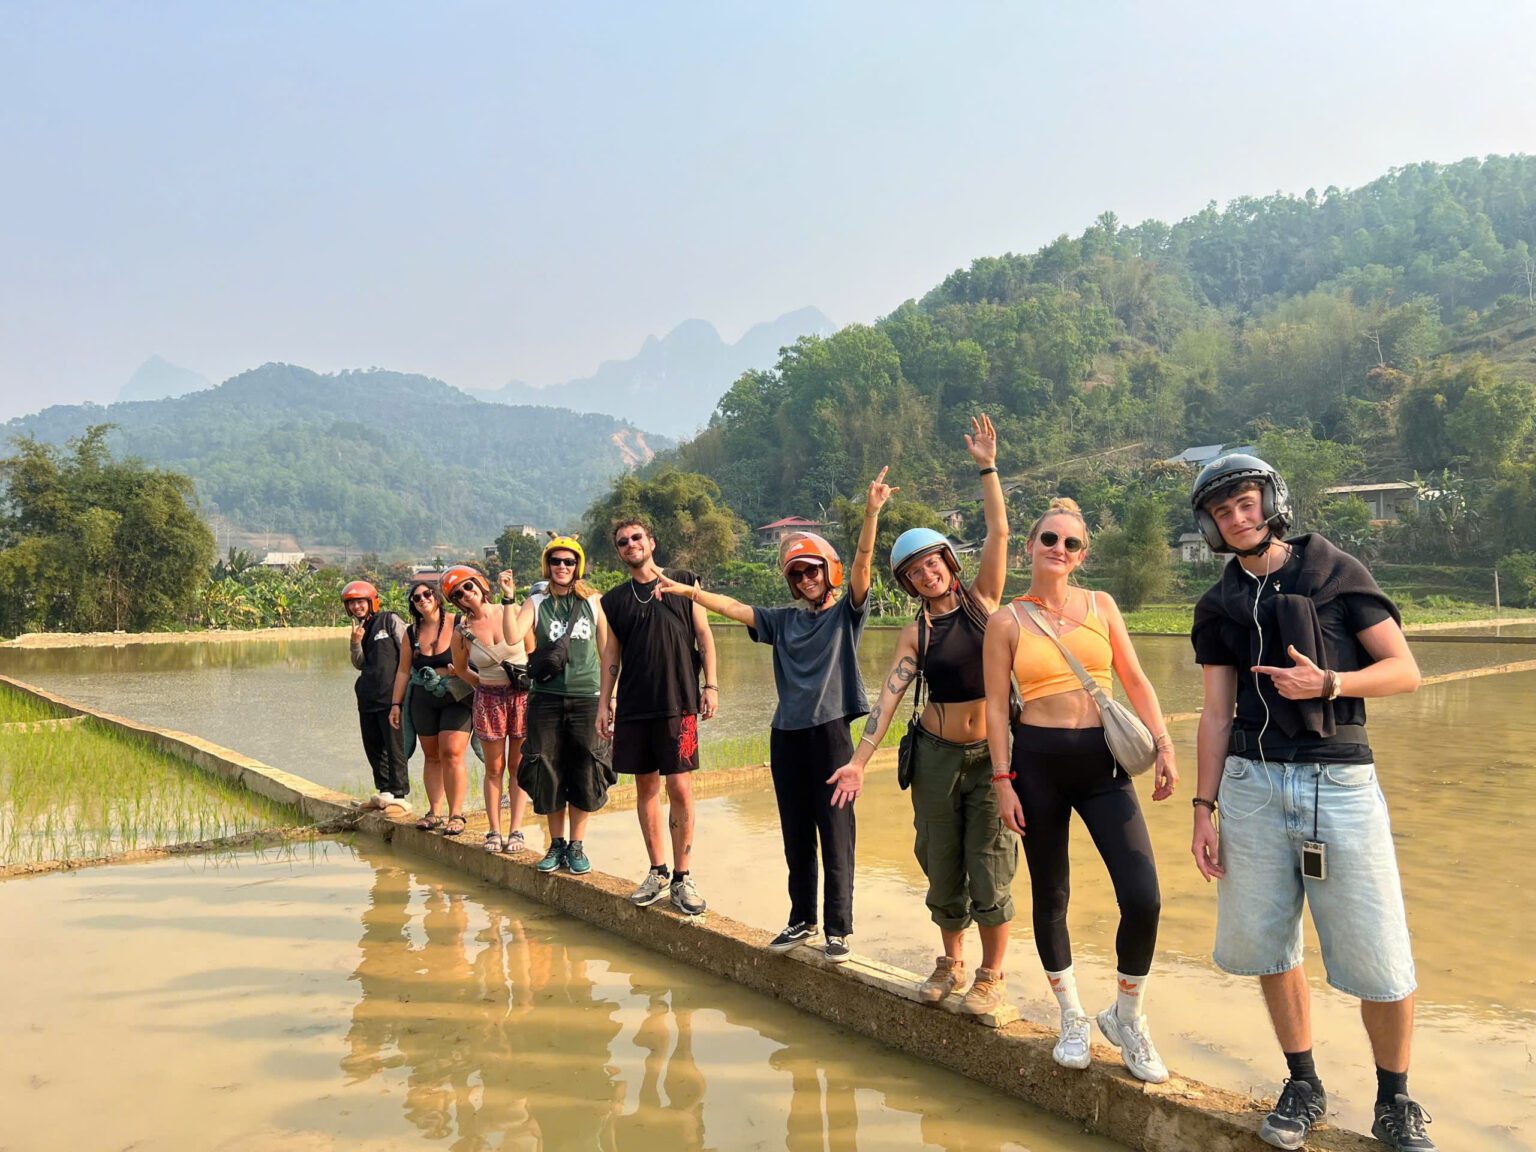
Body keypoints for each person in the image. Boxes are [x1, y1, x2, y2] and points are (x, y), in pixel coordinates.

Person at [1188, 454, 1434, 1151]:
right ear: (1210, 526)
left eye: (1247, 502)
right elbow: (1214, 713)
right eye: (1222, 511)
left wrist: (1328, 684)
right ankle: (1303, 1082)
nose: (1238, 518)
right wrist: (1203, 810)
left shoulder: (1333, 571)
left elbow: (1404, 671)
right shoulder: (1217, 604)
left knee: (1379, 950)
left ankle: (1396, 1099)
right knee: (1270, 945)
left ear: (1272, 501)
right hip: (1251, 784)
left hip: (1339, 781)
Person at [658, 468, 891, 963]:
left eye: (813, 571)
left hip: (831, 735)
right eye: (798, 574)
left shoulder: (846, 613)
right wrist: (688, 593)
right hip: (785, 737)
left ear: (827, 571)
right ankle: (801, 919)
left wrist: (871, 513)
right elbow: (736, 608)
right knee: (795, 832)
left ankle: (838, 929)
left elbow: (864, 563)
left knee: (836, 832)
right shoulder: (783, 621)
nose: (807, 579)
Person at [983, 498, 1178, 1083]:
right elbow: (996, 708)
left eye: (1070, 544)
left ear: (1081, 554)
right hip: (1037, 765)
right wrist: (1001, 781)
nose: (1059, 551)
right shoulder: (1006, 621)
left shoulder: (1102, 606)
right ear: (1031, 547)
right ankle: (1071, 1016)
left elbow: (1136, 680)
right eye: (1049, 540)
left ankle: (1127, 1015)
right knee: (1052, 893)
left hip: (1103, 765)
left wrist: (1165, 744)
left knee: (1142, 894)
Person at [825, 417, 1016, 1006]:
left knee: (990, 859)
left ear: (948, 563)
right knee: (940, 856)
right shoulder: (917, 632)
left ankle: (991, 975)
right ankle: (951, 963)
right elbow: (888, 700)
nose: (927, 573)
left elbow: (1000, 533)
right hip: (935, 758)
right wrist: (858, 761)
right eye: (915, 572)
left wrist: (988, 467)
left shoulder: (984, 601)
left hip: (991, 756)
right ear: (908, 584)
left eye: (933, 562)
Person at [598, 519, 718, 915]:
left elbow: (704, 636)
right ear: (618, 551)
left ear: (652, 541)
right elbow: (611, 656)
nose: (630, 545)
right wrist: (605, 703)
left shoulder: (683, 582)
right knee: (645, 789)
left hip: (679, 703)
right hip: (634, 707)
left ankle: (684, 877)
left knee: (680, 789)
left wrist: (711, 686)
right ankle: (658, 870)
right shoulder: (614, 600)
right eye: (622, 542)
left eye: (636, 538)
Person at [496, 536, 614, 876]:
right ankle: (556, 842)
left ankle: (577, 844)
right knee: (546, 767)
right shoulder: (536, 601)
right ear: (547, 565)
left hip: (587, 696)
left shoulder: (593, 602)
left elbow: (608, 652)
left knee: (585, 766)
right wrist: (507, 598)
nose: (563, 567)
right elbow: (512, 637)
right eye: (556, 561)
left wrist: (610, 697)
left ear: (578, 565)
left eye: (569, 562)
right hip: (546, 698)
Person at [445, 565, 536, 855]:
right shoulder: (462, 631)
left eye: (468, 587)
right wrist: (485, 686)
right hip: (488, 700)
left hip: (521, 697)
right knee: (494, 768)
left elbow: (531, 649)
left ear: (480, 585)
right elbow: (460, 669)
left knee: (517, 766)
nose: (465, 595)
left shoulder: (512, 610)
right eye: (458, 594)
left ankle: (516, 829)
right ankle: (495, 830)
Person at [389, 580, 473, 836]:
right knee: (432, 755)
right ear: (413, 605)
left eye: (427, 594)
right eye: (416, 598)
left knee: (452, 752)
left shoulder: (460, 622)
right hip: (423, 698)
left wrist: (461, 670)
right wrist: (396, 704)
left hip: (456, 695)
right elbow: (403, 670)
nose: (423, 599)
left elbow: (478, 654)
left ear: (437, 597)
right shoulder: (411, 632)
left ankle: (456, 814)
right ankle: (434, 812)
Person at [343, 579, 411, 813]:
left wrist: (403, 694)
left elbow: (409, 650)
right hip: (367, 698)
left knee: (394, 748)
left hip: (391, 697)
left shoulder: (389, 620)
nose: (356, 607)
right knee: (373, 747)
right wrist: (355, 643)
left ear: (371, 601)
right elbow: (360, 664)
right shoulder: (359, 630)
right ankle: (384, 792)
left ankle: (400, 795)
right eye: (351, 604)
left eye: (360, 602)